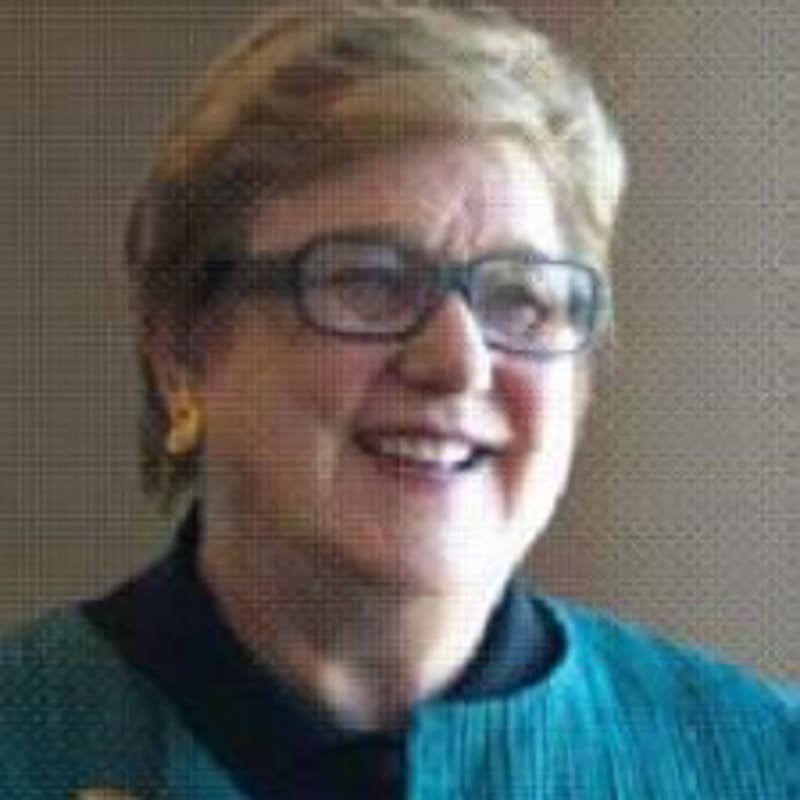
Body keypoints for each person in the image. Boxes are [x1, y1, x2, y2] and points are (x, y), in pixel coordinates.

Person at [0, 2, 796, 798]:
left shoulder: (766, 764)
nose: (458, 362)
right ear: (181, 352)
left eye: (520, 300)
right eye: (369, 281)